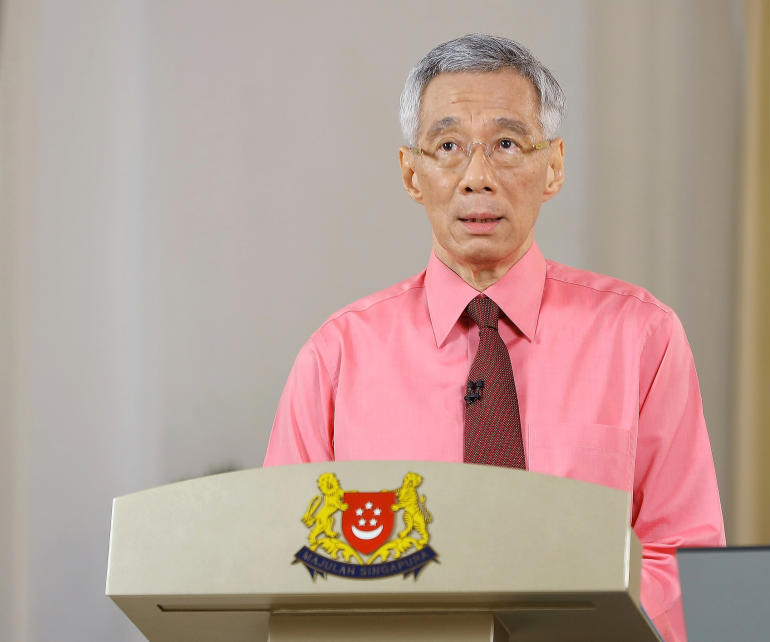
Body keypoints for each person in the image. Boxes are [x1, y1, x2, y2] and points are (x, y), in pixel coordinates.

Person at [264, 33, 724, 641]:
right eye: (448, 146)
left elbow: (682, 557)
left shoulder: (642, 336)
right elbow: (278, 562)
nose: (477, 176)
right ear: (411, 172)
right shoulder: (337, 357)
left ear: (553, 165)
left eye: (506, 144)